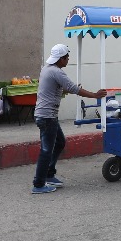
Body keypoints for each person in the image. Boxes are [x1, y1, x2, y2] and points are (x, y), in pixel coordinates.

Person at [32, 44, 106, 193]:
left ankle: (49, 174)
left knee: (59, 142)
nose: (68, 59)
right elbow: (74, 89)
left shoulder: (47, 69)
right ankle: (39, 184)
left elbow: (59, 88)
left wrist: (69, 89)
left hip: (44, 115)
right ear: (60, 59)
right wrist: (95, 95)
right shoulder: (57, 72)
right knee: (46, 150)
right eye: (66, 57)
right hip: (47, 117)